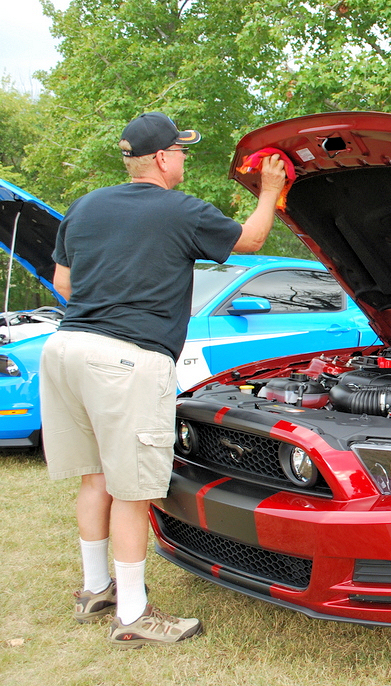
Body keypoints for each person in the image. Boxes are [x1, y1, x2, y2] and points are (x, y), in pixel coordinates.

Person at [39, 112, 287, 648]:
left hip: (64, 350)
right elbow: (250, 239)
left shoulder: (85, 206)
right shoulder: (180, 210)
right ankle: (132, 615)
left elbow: (63, 281)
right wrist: (270, 189)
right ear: (160, 158)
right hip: (126, 359)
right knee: (132, 490)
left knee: (95, 479)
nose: (183, 160)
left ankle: (95, 590)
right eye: (180, 151)